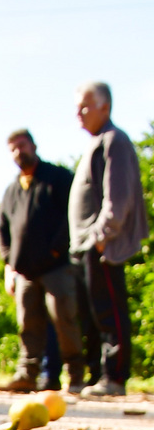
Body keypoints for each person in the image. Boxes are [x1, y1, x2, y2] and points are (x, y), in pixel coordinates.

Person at [68, 82, 149, 397]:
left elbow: (119, 197)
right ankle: (97, 375)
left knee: (109, 311)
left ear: (105, 107)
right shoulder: (97, 142)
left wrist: (101, 237)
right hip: (87, 245)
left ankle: (114, 377)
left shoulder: (115, 140)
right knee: (91, 315)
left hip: (102, 245)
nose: (79, 113)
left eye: (85, 106)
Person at [0, 129, 83, 393]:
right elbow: (3, 230)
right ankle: (27, 375)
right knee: (28, 325)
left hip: (56, 266)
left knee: (64, 319)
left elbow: (72, 214)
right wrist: (9, 262)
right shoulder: (11, 191)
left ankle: (75, 376)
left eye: (21, 145)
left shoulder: (57, 177)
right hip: (24, 271)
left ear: (33, 145)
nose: (18, 151)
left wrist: (57, 250)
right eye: (12, 148)